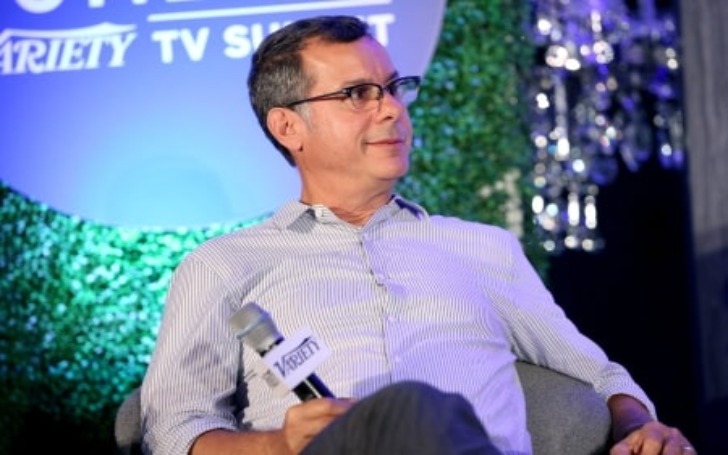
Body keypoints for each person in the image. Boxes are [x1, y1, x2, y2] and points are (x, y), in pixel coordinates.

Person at [140, 14, 696, 455]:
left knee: (422, 410)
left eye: (393, 88)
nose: (391, 110)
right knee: (408, 408)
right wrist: (277, 446)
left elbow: (598, 375)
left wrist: (639, 427)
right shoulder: (225, 264)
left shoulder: (482, 248)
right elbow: (172, 433)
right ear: (288, 126)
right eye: (357, 94)